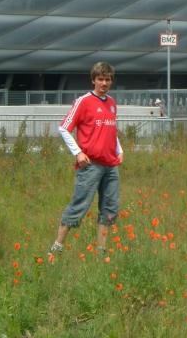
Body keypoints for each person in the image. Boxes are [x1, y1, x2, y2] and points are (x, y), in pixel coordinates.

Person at [48, 62, 123, 256]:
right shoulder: (83, 101)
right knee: (79, 206)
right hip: (91, 165)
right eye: (100, 79)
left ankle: (101, 251)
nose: (104, 83)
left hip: (110, 165)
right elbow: (64, 127)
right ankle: (56, 249)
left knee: (109, 208)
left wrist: (119, 149)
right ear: (93, 80)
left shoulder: (112, 103)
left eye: (107, 79)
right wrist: (78, 152)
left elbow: (111, 130)